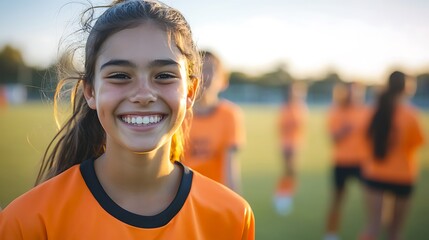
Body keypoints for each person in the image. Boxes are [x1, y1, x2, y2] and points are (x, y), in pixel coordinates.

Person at [0, 1, 255, 239]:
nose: (143, 95)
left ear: (190, 91)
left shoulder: (232, 217)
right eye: (120, 75)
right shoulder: (28, 221)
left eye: (164, 75)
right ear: (90, 91)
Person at [359, 71, 424, 240]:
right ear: (406, 87)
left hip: (375, 172)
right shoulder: (411, 115)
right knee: (395, 232)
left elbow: (365, 138)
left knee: (373, 227)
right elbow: (418, 143)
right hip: (403, 176)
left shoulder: (373, 110)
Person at [182, 50, 245, 193]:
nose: (204, 76)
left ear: (223, 80)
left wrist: (235, 202)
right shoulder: (179, 114)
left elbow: (230, 164)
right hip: (184, 196)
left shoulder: (229, 114)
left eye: (210, 70)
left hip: (216, 194)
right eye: (199, 69)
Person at [324, 82, 370, 240]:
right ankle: (331, 234)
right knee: (336, 201)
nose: (353, 96)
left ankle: (371, 232)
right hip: (341, 162)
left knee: (371, 202)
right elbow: (332, 137)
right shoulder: (336, 111)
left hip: (362, 163)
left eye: (357, 92)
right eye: (350, 92)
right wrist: (343, 131)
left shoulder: (367, 112)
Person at [273, 81, 308, 215]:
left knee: (293, 172)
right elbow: (281, 126)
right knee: (288, 171)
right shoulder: (285, 108)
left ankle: (286, 196)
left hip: (297, 144)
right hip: (286, 144)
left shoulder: (300, 107)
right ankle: (281, 197)